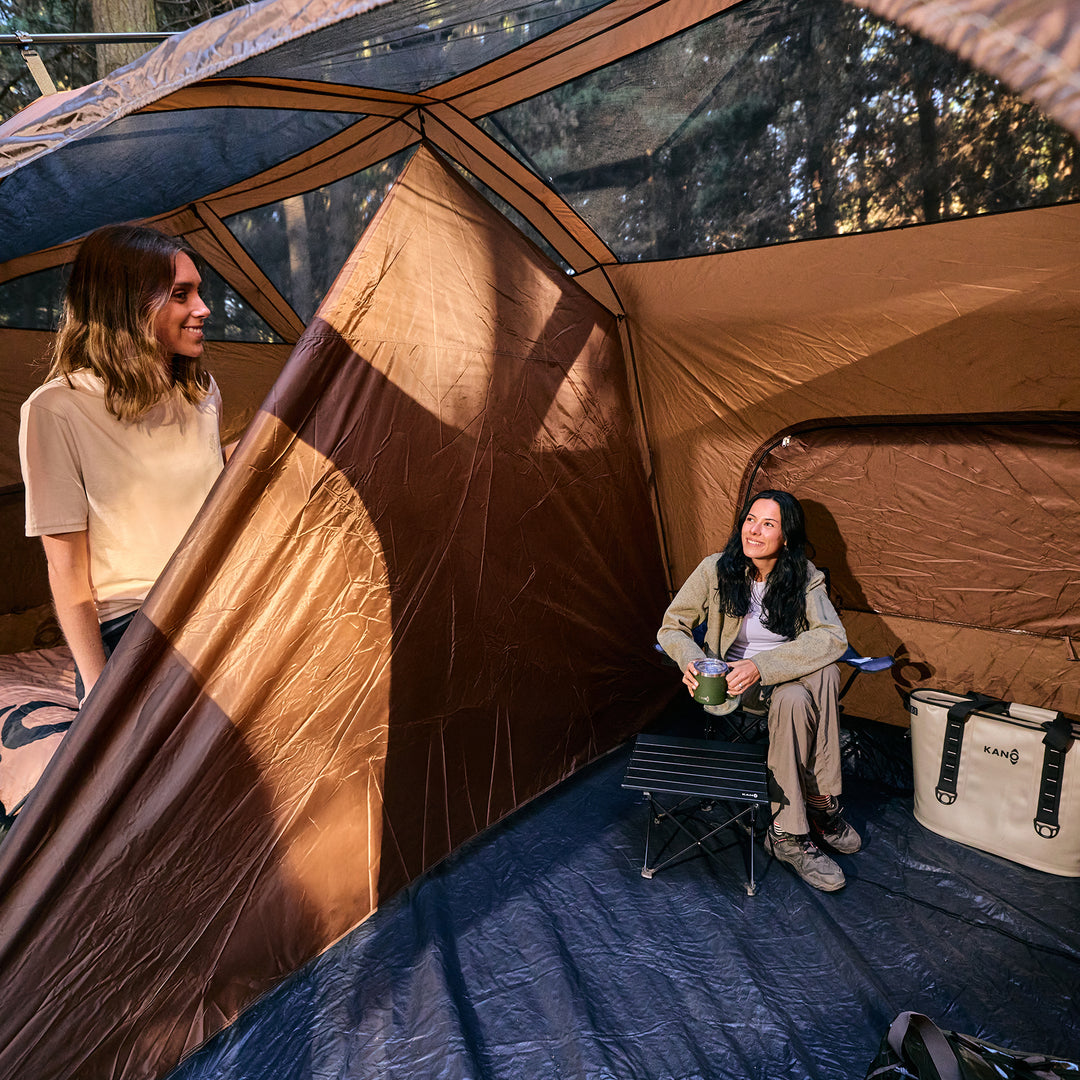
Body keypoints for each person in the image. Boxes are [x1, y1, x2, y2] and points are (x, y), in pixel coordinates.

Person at [18, 224, 225, 704]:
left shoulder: (201, 393)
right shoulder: (58, 408)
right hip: (136, 624)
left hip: (221, 605)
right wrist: (98, 690)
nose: (203, 308)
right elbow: (66, 570)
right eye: (181, 294)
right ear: (128, 304)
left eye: (199, 292)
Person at [657, 489, 858, 892]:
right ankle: (820, 804)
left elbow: (833, 637)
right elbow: (671, 626)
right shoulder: (715, 570)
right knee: (823, 677)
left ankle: (786, 832)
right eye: (750, 520)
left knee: (817, 679)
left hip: (785, 683)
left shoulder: (804, 576)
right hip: (734, 686)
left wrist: (762, 666)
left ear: (786, 536)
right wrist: (691, 661)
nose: (754, 530)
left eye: (768, 524)